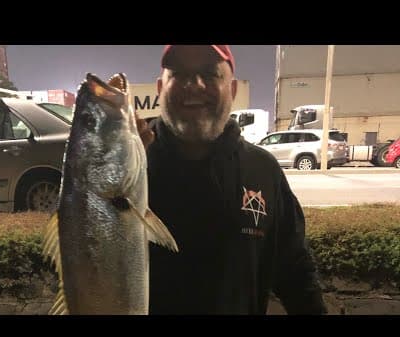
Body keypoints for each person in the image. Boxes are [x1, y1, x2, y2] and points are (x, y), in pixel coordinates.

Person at [136, 45, 327, 315]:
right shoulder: (131, 165)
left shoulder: (262, 169)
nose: (194, 85)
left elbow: (294, 268)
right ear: (160, 88)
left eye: (210, 73)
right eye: (179, 74)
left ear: (233, 89)